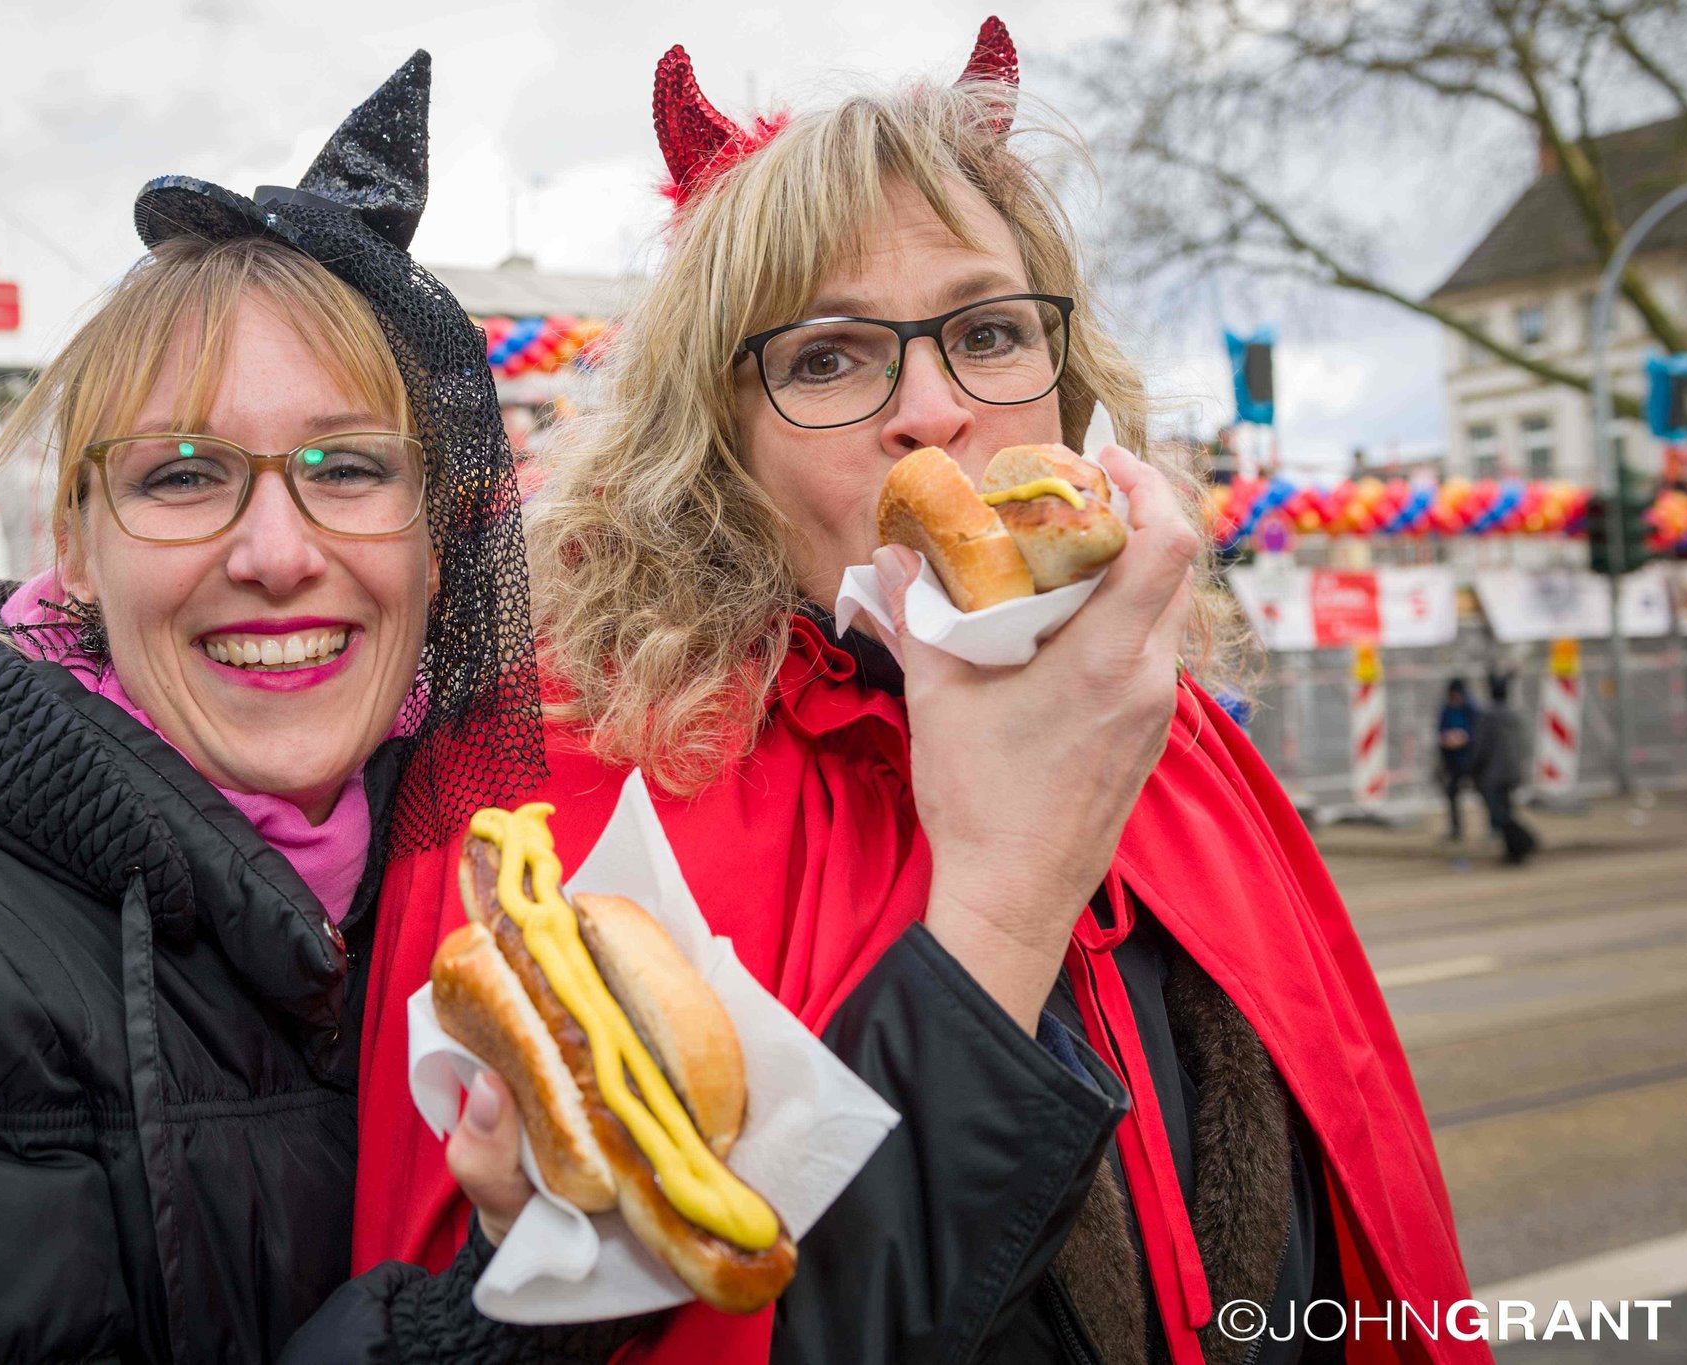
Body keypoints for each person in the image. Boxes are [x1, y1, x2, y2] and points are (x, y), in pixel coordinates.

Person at [354, 20, 1480, 1365]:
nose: (932, 412)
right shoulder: (565, 777)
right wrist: (1004, 897)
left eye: (989, 332)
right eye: (827, 357)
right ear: (715, 439)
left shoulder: (1162, 730)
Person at [0, 54, 634, 1365]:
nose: (276, 553)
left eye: (346, 466)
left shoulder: (462, 867)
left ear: (437, 541)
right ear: (76, 546)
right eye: (186, 475)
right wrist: (490, 1320)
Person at [1472, 672, 1538, 866]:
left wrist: (1473, 767)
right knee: (1506, 809)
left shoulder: (1488, 716)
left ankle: (1525, 841)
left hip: (1494, 773)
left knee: (1498, 814)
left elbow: (1481, 747)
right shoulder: (1514, 714)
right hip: (1513, 771)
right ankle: (1514, 851)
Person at [1437, 677, 1478, 842]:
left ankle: (1494, 827)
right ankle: (1456, 829)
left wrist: (1465, 738)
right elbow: (1440, 730)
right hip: (1452, 760)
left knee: (1485, 792)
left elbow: (1480, 732)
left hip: (1471, 759)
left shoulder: (1472, 709)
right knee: (1451, 793)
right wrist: (1447, 738)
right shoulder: (1446, 709)